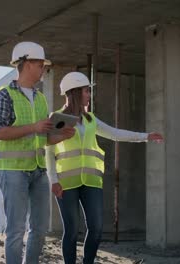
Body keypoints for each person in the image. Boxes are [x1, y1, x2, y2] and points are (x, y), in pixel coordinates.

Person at [45, 71, 163, 264]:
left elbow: (115, 133)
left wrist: (145, 136)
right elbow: (48, 150)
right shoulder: (57, 118)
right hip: (66, 182)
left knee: (97, 227)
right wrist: (54, 180)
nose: (89, 95)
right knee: (72, 230)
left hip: (91, 181)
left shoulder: (91, 119)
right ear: (74, 93)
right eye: (85, 91)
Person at [0, 41, 73, 264]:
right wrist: (34, 127)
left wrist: (62, 136)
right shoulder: (4, 95)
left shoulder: (41, 97)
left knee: (40, 228)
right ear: (26, 64)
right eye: (39, 65)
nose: (43, 69)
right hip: (13, 171)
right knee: (16, 230)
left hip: (39, 170)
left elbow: (44, 138)